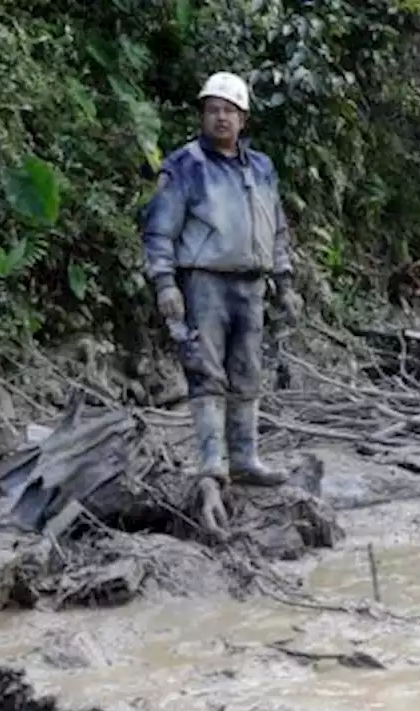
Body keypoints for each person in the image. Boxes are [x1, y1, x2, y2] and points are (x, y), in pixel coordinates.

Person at [141, 71, 302, 484]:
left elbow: (276, 228)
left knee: (247, 370)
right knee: (206, 370)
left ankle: (245, 459)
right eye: (213, 110)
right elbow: (159, 230)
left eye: (229, 111)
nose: (221, 118)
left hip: (252, 285)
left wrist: (284, 283)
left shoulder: (262, 168)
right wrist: (165, 284)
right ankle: (212, 462)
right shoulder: (184, 166)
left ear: (243, 119)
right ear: (202, 116)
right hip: (204, 282)